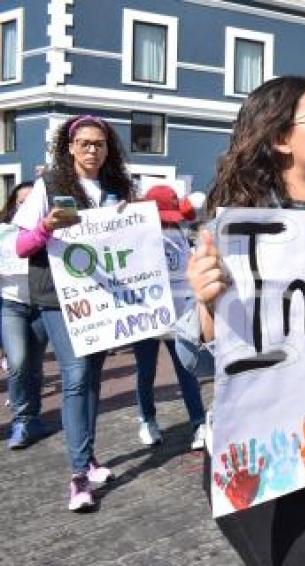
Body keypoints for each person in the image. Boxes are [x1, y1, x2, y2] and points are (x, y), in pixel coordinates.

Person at [181, 76, 305, 566]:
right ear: (279, 138)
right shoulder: (238, 228)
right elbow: (193, 359)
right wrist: (209, 304)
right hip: (268, 456)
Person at [13, 115, 132, 511]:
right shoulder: (49, 186)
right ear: (70, 146)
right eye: (85, 143)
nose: (93, 151)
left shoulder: (116, 187)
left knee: (93, 376)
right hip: (56, 298)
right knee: (77, 374)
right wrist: (46, 227)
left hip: (100, 297)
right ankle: (79, 476)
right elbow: (21, 247)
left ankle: (90, 455)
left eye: (99, 144)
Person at [132, 185, 206, 450]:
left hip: (179, 315)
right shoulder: (136, 234)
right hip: (146, 316)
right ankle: (147, 419)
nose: (165, 224)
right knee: (146, 371)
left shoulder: (181, 231)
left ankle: (199, 422)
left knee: (188, 370)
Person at [1, 181, 50, 449]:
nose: (26, 207)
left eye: (32, 202)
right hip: (12, 305)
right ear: (14, 206)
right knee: (18, 362)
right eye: (22, 202)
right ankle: (21, 419)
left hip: (42, 307)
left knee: (35, 365)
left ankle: (34, 417)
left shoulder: (50, 233)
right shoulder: (3, 233)